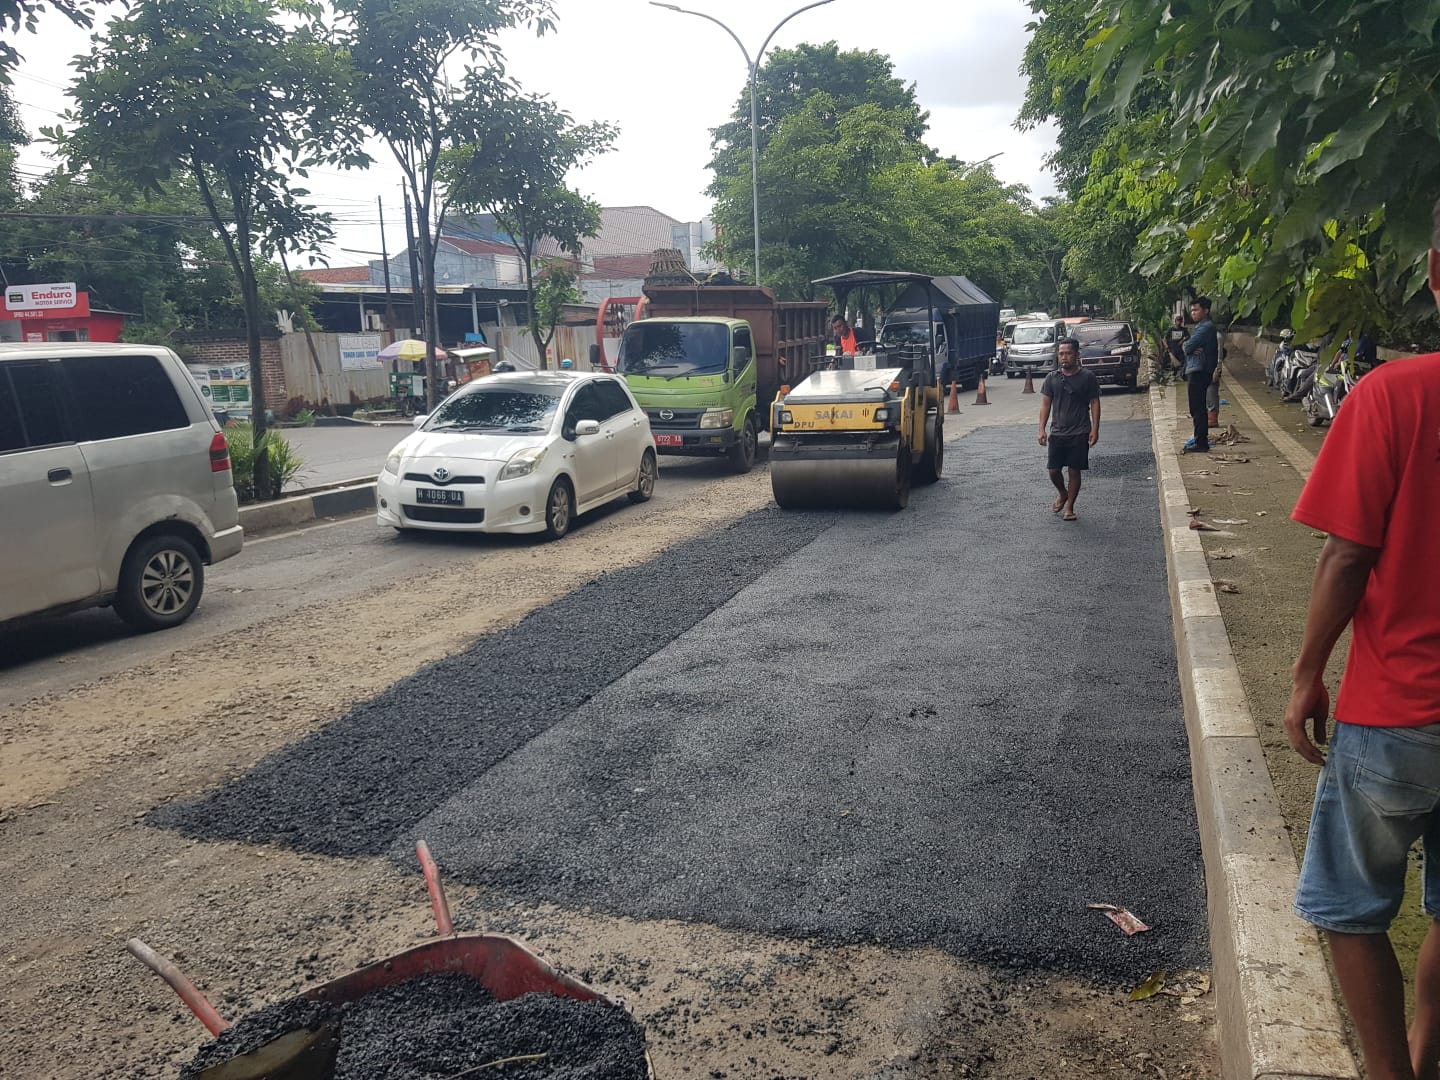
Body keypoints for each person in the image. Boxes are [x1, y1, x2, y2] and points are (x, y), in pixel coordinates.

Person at [1285, 209, 1440, 1080]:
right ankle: (1426, 1056)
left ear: (1434, 273)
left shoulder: (1393, 394)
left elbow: (1348, 556)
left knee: (1349, 909)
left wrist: (1308, 675)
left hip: (1398, 712)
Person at [1038, 337, 1101, 522]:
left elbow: (1095, 403)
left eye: (1068, 353)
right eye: (1061, 354)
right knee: (1053, 470)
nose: (1064, 357)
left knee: (1074, 470)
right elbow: (1045, 404)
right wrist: (1041, 429)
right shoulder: (1052, 378)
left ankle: (1070, 507)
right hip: (1057, 432)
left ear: (1077, 355)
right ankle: (1062, 493)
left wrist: (1095, 429)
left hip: (1080, 431)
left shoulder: (1087, 377)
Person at [1181, 297, 1219, 452]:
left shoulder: (1206, 327)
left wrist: (1188, 347)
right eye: (1192, 310)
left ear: (1206, 310)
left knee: (1197, 408)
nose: (1193, 313)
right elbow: (1187, 346)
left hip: (1199, 370)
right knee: (1195, 407)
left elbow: (1187, 346)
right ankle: (1199, 439)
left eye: (1196, 310)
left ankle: (1201, 442)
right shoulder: (1200, 327)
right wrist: (1188, 346)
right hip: (1196, 369)